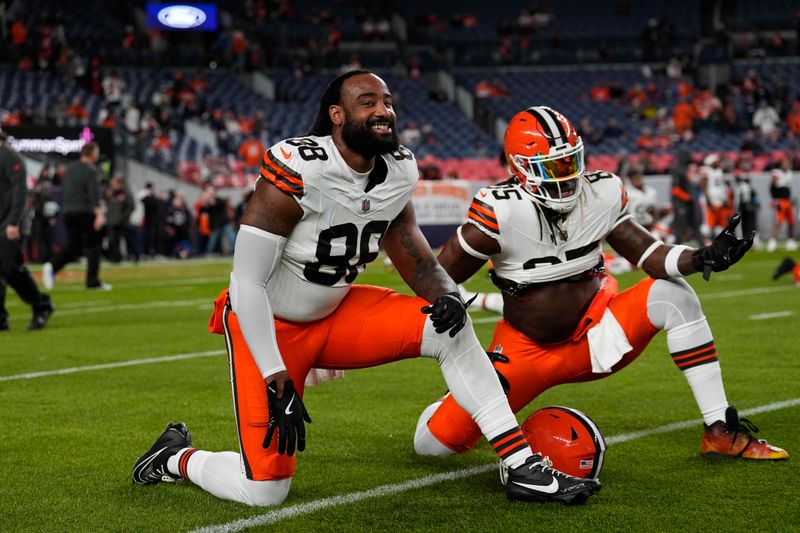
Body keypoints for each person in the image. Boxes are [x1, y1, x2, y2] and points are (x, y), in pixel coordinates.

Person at [131, 71, 600, 506]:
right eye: (367, 101)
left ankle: (521, 465)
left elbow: (412, 252)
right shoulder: (301, 166)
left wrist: (445, 294)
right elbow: (246, 282)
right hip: (271, 326)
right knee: (265, 490)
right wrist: (277, 375)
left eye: (388, 102)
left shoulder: (398, 168)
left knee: (449, 327)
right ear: (337, 114)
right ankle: (175, 457)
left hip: (338, 311)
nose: (383, 110)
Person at [413, 106, 788, 467]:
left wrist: (701, 257)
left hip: (597, 331)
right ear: (518, 168)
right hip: (525, 351)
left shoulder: (600, 193)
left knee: (674, 294)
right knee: (432, 446)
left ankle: (719, 429)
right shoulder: (501, 210)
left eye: (568, 163)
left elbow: (649, 254)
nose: (563, 177)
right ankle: (457, 399)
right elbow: (437, 275)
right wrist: (447, 303)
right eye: (551, 167)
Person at [0, 127, 54, 330]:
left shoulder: (9, 156)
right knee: (7, 270)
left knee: (11, 270)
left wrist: (14, 222)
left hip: (8, 225)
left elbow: (20, 192)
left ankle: (41, 305)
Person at [43, 142, 110, 291]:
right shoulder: (91, 170)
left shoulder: (69, 169)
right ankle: (93, 281)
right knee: (94, 245)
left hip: (68, 211)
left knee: (74, 246)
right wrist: (99, 214)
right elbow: (93, 194)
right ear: (92, 153)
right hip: (85, 211)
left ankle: (53, 265)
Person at [670, 150, 705, 246]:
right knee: (680, 229)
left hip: (689, 204)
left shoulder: (686, 169)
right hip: (681, 204)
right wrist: (688, 197)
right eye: (688, 157)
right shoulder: (678, 170)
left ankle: (703, 248)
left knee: (695, 227)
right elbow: (675, 190)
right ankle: (676, 250)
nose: (690, 159)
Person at [699, 154, 734, 238]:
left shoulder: (718, 171)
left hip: (719, 201)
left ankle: (717, 242)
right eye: (715, 161)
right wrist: (709, 202)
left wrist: (725, 198)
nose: (717, 162)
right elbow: (703, 187)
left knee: (720, 224)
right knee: (708, 224)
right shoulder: (706, 171)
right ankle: (706, 241)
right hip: (710, 201)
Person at [104, 175, 137, 263]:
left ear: (119, 183)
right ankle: (115, 258)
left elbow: (131, 206)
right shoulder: (111, 193)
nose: (112, 185)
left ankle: (135, 256)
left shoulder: (126, 193)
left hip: (123, 222)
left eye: (114, 183)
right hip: (112, 222)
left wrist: (123, 217)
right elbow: (108, 206)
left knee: (128, 239)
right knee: (113, 241)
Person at [766, 157, 796, 252]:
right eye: (785, 163)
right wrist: (775, 200)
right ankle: (772, 241)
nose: (787, 165)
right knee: (779, 221)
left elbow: (786, 188)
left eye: (788, 163)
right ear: (781, 164)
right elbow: (771, 187)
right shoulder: (776, 173)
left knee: (791, 221)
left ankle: (790, 241)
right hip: (780, 201)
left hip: (787, 201)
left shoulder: (789, 173)